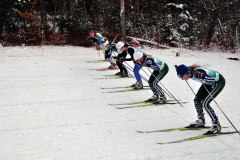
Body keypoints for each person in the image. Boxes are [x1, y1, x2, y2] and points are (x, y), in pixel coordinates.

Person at [175, 64, 225, 134]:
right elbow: (184, 68)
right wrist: (177, 68)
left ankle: (216, 125)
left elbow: (211, 78)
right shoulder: (189, 71)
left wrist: (203, 76)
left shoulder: (198, 74)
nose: (183, 79)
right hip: (207, 83)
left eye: (183, 77)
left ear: (187, 73)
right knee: (197, 100)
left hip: (218, 82)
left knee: (205, 103)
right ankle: (201, 120)